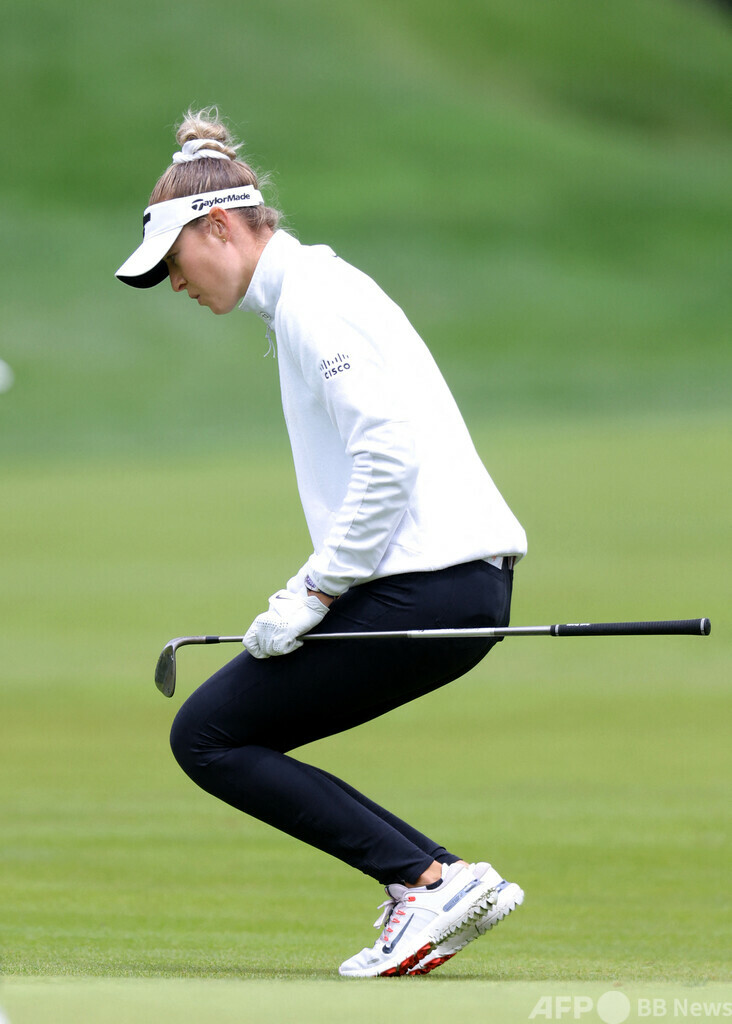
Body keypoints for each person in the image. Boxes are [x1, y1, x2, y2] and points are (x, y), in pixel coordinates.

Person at [116, 108, 528, 978]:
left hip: (433, 582)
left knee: (209, 735)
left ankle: (427, 882)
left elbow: (387, 458)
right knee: (222, 733)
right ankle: (438, 880)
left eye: (174, 262)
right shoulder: (307, 292)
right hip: (448, 581)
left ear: (218, 226)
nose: (176, 284)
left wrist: (313, 591)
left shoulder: (313, 301)